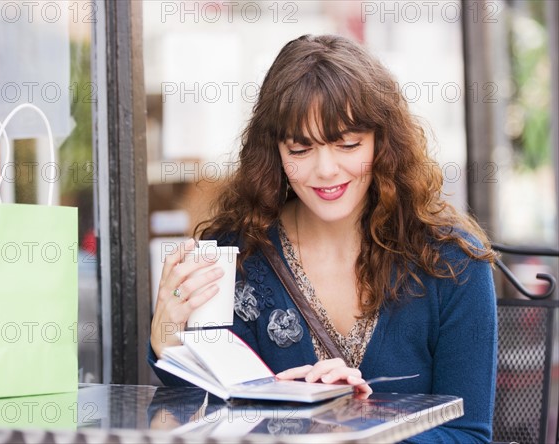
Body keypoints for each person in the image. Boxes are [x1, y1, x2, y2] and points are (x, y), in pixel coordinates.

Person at [149, 34, 498, 443]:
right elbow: (204, 422)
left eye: (347, 144)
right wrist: (168, 345)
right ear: (274, 151)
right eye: (300, 149)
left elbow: (470, 435)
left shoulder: (452, 263)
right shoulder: (240, 255)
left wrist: (353, 426)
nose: (326, 169)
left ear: (383, 143)